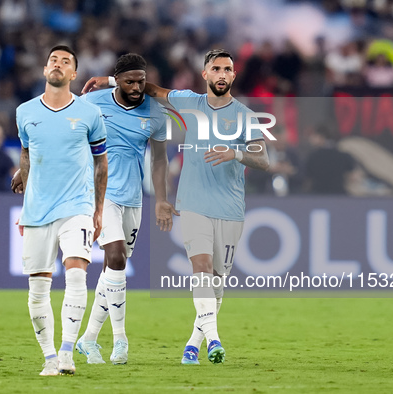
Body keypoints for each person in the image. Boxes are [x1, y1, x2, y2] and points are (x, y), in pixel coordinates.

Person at [82, 49, 270, 365]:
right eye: (216, 68)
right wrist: (111, 80)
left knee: (216, 281)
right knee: (199, 268)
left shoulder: (246, 117)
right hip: (192, 204)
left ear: (233, 76)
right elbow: (150, 88)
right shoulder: (188, 102)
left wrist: (235, 154)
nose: (222, 74)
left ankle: (192, 345)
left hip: (230, 208)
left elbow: (264, 159)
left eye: (228, 69)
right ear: (205, 74)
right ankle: (213, 340)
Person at [13, 53, 178, 365]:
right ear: (118, 80)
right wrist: (26, 167)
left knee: (113, 271)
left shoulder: (157, 113)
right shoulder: (92, 102)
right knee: (114, 256)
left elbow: (159, 159)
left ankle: (89, 339)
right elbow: (60, 129)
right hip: (97, 194)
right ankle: (120, 340)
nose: (136, 87)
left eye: (141, 81)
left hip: (133, 197)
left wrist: (161, 199)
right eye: (129, 81)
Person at [16, 45, 108, 377]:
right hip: (38, 210)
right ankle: (50, 357)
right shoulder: (25, 112)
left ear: (73, 74)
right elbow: (27, 158)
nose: (58, 64)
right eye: (53, 60)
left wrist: (97, 210)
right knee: (38, 288)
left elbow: (101, 163)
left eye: (66, 62)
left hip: (77, 207)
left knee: (76, 273)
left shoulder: (88, 114)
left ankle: (68, 351)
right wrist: (25, 207)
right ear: (45, 70)